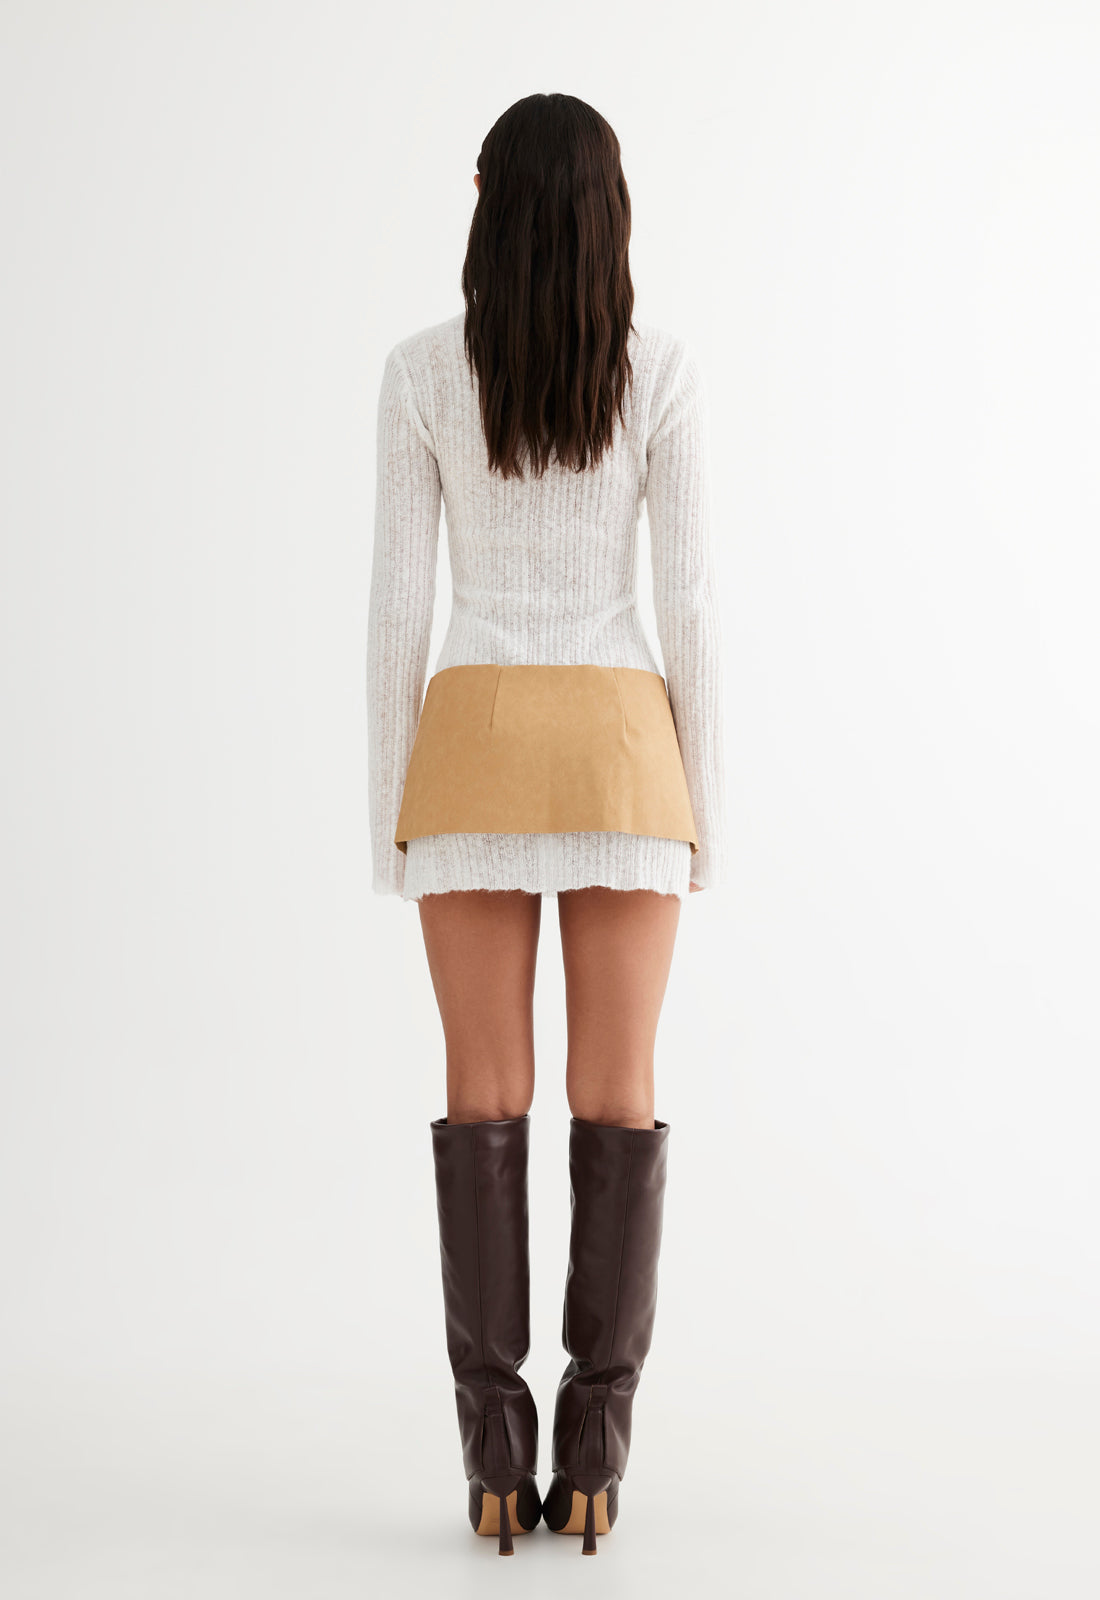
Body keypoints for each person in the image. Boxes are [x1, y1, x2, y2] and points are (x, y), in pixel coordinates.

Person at [366, 92, 728, 1556]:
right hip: (626, 750)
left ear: (485, 201)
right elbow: (691, 607)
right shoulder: (661, 372)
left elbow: (397, 611)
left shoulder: (419, 373)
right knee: (617, 1091)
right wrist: (709, 816)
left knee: (485, 1089)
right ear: (610, 211)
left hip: (471, 743)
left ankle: (491, 1456)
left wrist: (387, 821)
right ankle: (594, 1455)